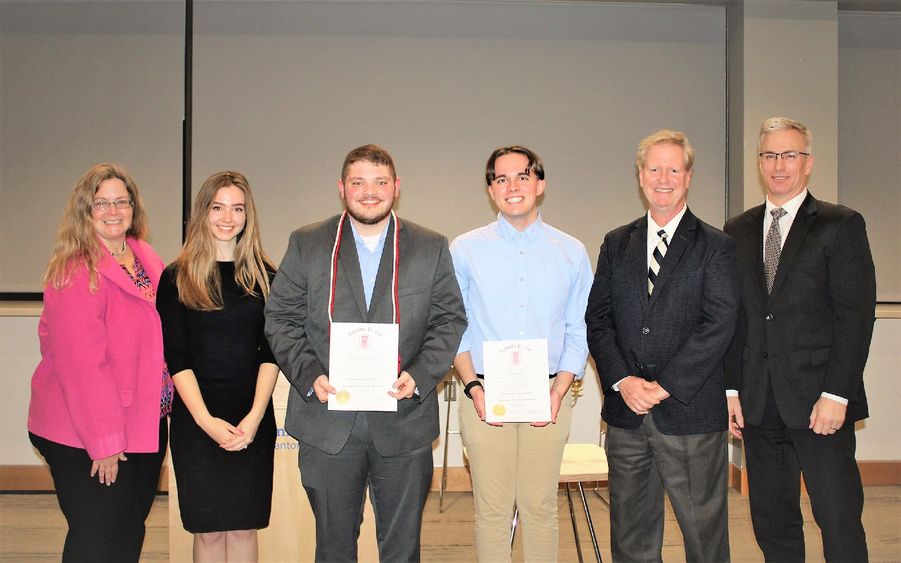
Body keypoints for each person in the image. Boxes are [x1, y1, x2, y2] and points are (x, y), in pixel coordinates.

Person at [264, 144, 467, 562]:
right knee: (334, 549)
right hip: (327, 425)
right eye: (358, 182)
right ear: (342, 188)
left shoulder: (429, 246)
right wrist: (309, 375)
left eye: (379, 182)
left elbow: (448, 321)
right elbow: (280, 319)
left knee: (401, 549)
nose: (369, 192)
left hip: (404, 421)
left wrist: (421, 375)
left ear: (397, 187)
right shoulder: (307, 244)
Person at [724, 117, 875, 562]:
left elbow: (856, 317)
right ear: (759, 163)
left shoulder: (839, 224)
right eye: (769, 155)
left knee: (838, 516)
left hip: (820, 402)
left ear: (808, 163)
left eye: (789, 155)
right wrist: (731, 389)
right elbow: (736, 319)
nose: (778, 165)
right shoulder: (738, 230)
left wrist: (836, 393)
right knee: (773, 521)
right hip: (759, 402)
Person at [585, 130, 739, 562]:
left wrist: (665, 384)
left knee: (704, 538)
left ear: (688, 177)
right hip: (627, 416)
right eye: (655, 168)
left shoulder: (717, 246)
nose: (664, 177)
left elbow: (719, 323)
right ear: (640, 176)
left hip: (689, 414)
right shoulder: (617, 243)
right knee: (631, 539)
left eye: (674, 168)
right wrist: (622, 380)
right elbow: (598, 319)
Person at [450, 145, 592, 562]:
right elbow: (454, 326)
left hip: (549, 394)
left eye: (523, 176)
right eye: (501, 178)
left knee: (540, 508)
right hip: (483, 393)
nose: (512, 186)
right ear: (491, 189)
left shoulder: (571, 251)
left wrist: (560, 388)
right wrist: (473, 385)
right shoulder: (464, 249)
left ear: (540, 184)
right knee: (491, 511)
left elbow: (578, 327)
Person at [27, 163, 170, 562]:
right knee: (98, 539)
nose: (113, 211)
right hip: (85, 432)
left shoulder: (143, 255)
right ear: (84, 211)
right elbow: (82, 366)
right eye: (101, 203)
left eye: (121, 201)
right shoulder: (76, 269)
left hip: (141, 421)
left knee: (128, 530)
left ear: (133, 207)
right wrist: (104, 443)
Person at [156, 171, 279, 562]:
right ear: (203, 212)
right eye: (218, 207)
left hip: (252, 421)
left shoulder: (266, 276)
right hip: (197, 422)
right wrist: (206, 421)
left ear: (248, 214)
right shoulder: (176, 277)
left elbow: (271, 353)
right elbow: (178, 358)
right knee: (208, 533)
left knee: (244, 529)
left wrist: (255, 417)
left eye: (238, 208)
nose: (228, 217)